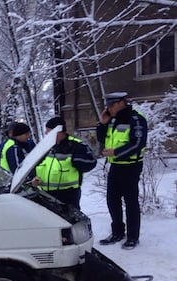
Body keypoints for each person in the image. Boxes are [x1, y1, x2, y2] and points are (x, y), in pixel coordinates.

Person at [96, 92, 148, 250]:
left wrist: (116, 152)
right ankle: (117, 232)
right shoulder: (112, 120)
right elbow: (101, 138)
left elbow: (137, 143)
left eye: (111, 105)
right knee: (112, 200)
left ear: (121, 103)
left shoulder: (136, 119)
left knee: (130, 202)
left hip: (131, 166)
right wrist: (103, 123)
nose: (109, 108)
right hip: (115, 166)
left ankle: (133, 237)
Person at [31, 117, 97, 209]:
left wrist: (76, 160)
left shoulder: (76, 145)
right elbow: (35, 165)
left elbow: (91, 162)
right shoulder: (46, 146)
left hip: (68, 195)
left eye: (48, 131)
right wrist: (34, 177)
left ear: (59, 131)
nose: (46, 133)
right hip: (46, 194)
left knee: (70, 222)